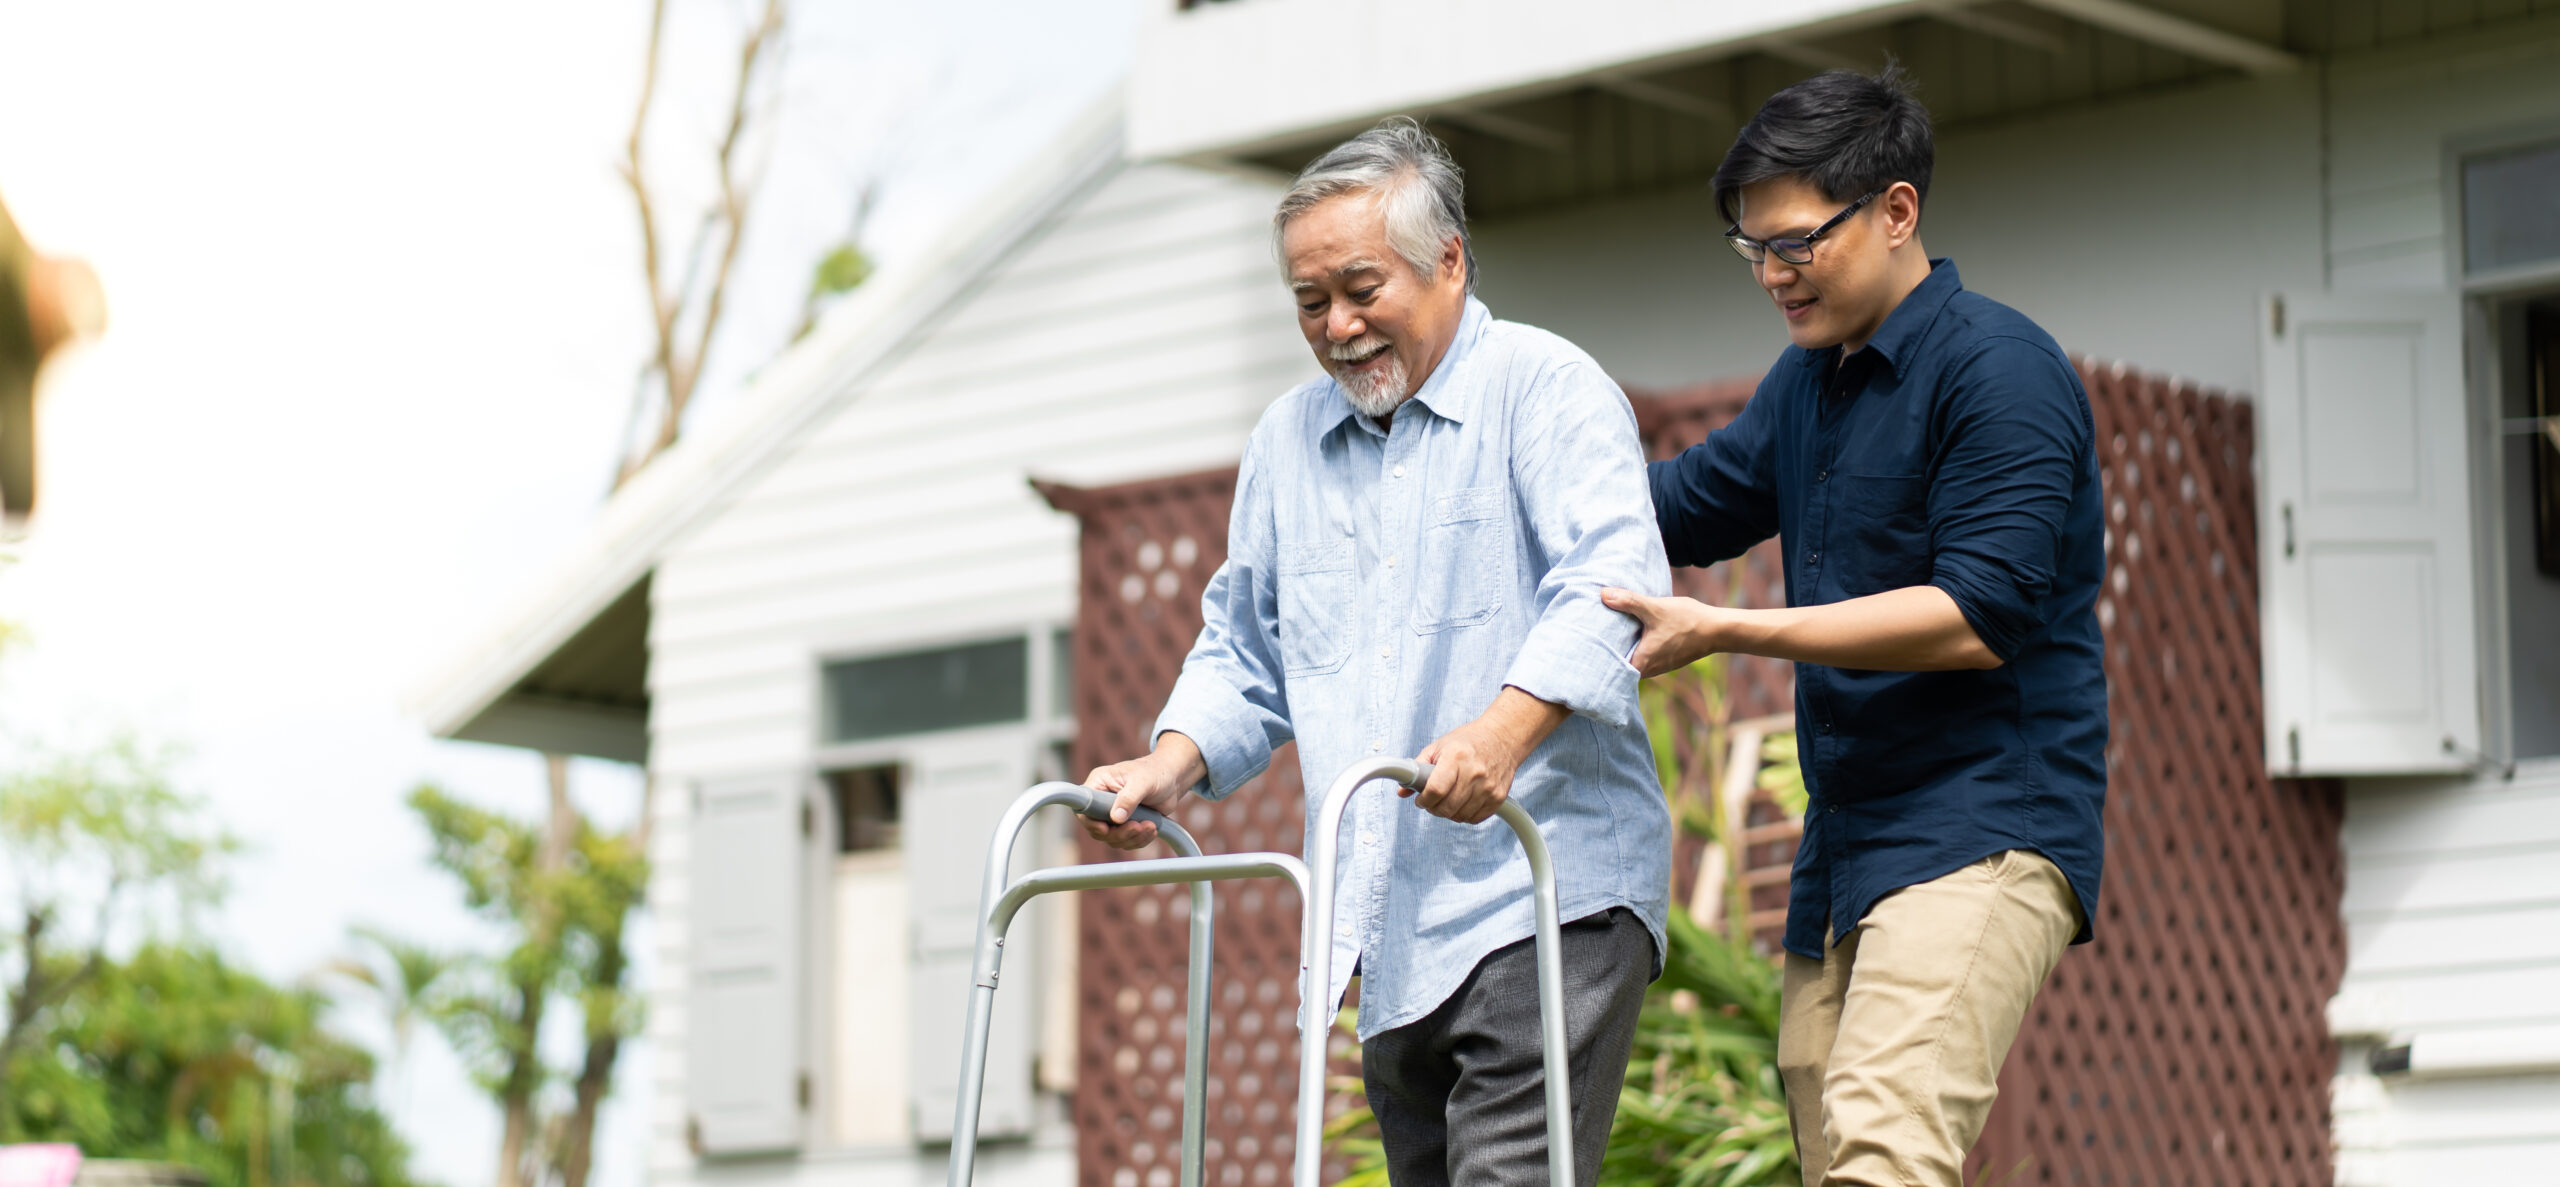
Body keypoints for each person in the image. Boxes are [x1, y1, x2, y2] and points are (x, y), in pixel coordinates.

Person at [1080, 118, 1672, 1187]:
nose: (1338, 325)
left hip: (1547, 886)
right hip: (1386, 922)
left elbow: (1609, 586)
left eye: (1361, 288)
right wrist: (1164, 763)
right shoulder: (1284, 442)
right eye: (1311, 302)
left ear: (1447, 260)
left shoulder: (1545, 387)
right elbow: (1243, 650)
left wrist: (1501, 732)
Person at [1600, 67, 2107, 1187]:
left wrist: (1731, 631)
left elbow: (1977, 614)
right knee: (1839, 1164)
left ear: (1894, 210)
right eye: (1753, 250)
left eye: (1796, 242)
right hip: (1846, 850)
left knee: (1884, 1152)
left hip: (1981, 828)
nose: (1773, 275)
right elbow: (1672, 507)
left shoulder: (1999, 370)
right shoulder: (1806, 384)